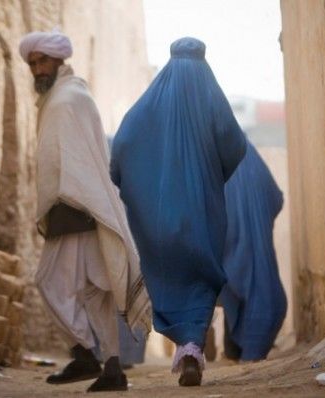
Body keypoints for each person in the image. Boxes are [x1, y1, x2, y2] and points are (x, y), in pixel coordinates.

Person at [19, 29, 151, 393]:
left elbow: (75, 160)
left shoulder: (67, 100)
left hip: (76, 204)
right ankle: (112, 367)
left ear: (59, 60)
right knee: (95, 291)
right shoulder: (67, 96)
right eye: (32, 63)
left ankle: (83, 353)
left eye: (42, 60)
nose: (37, 69)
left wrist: (73, 196)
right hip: (83, 204)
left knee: (48, 280)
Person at [110, 37, 246, 387]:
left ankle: (184, 346)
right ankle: (191, 348)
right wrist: (212, 176)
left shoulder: (148, 102)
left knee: (170, 280)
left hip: (158, 223)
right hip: (202, 214)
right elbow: (234, 143)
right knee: (201, 280)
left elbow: (122, 146)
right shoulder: (209, 93)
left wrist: (141, 189)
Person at [220, 143, 287, 362]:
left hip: (227, 233)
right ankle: (244, 350)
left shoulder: (212, 156)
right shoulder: (249, 154)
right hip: (256, 238)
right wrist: (258, 219)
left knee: (232, 284)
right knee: (258, 288)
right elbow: (276, 198)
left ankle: (232, 347)